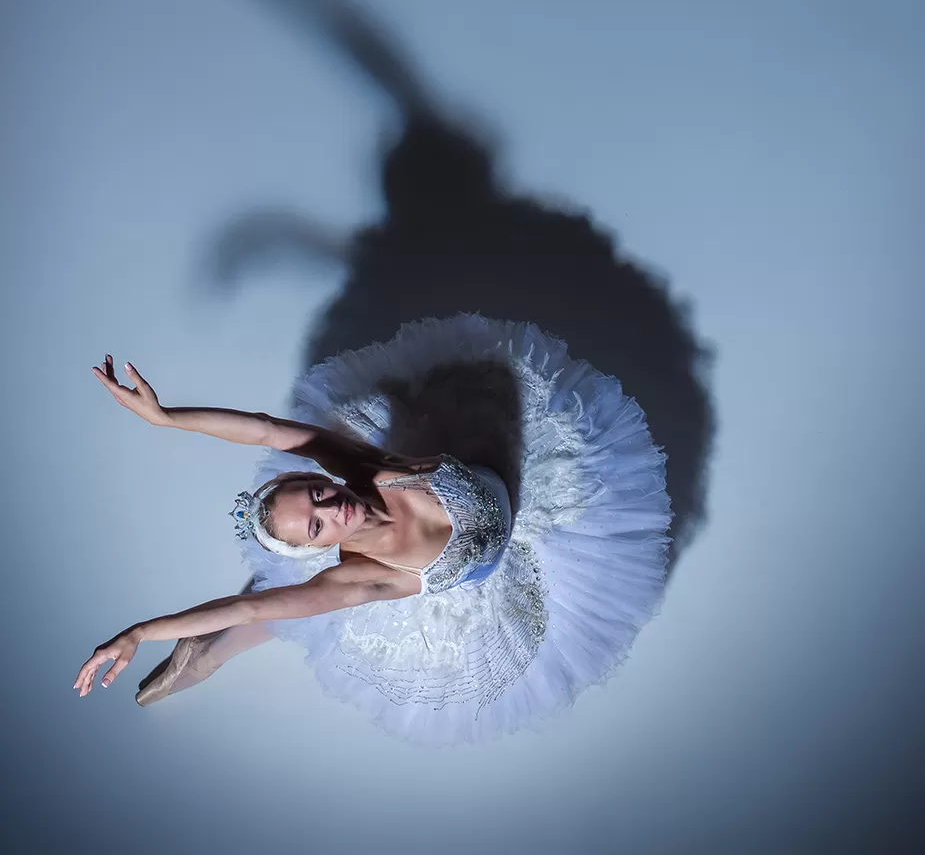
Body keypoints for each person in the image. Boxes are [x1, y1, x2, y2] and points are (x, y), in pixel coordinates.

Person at [75, 315, 671, 744]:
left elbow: (264, 429)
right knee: (279, 612)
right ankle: (203, 655)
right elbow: (247, 608)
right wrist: (140, 632)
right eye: (318, 526)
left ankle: (233, 610)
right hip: (473, 564)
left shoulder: (360, 465)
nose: (335, 508)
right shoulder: (360, 579)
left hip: (490, 466)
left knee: (493, 397)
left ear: (318, 476)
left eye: (318, 493)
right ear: (319, 547)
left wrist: (166, 418)